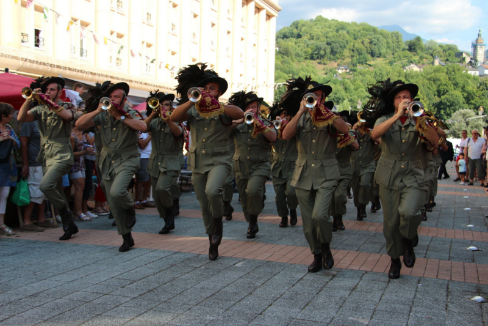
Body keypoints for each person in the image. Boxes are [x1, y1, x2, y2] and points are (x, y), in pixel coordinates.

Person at [171, 63, 243, 260]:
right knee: (203, 202)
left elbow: (239, 114)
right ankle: (211, 236)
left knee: (212, 191)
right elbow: (174, 117)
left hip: (220, 160)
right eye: (206, 88)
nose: (208, 91)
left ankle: (217, 223)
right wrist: (191, 99)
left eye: (213, 88)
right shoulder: (194, 108)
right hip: (198, 161)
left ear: (219, 92)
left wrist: (216, 104)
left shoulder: (223, 108)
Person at [368, 79, 439, 279]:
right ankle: (394, 260)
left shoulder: (419, 119)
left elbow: (434, 142)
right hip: (388, 175)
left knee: (409, 213)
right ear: (394, 103)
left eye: (406, 97)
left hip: (414, 174)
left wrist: (419, 120)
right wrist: (398, 116)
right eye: (398, 98)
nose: (402, 100)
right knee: (390, 223)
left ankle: (408, 239)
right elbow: (375, 134)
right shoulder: (385, 119)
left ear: (412, 100)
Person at [281, 77, 350, 273]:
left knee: (320, 216)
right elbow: (286, 135)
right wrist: (301, 110)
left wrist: (325, 112)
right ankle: (317, 254)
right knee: (309, 223)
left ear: (324, 98)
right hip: (303, 174)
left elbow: (344, 129)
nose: (315, 100)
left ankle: (326, 247)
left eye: (318, 96)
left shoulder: (331, 117)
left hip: (326, 173)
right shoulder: (299, 117)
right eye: (311, 97)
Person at [76, 82, 147, 252]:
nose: (113, 99)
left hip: (127, 159)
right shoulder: (103, 114)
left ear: (124, 99)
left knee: (117, 191)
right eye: (111, 97)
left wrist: (120, 116)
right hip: (107, 161)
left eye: (116, 97)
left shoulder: (130, 113)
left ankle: (130, 208)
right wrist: (98, 110)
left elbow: (143, 127)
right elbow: (80, 124)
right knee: (113, 204)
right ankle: (126, 237)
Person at [18, 76, 79, 241]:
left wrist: (50, 103)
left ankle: (66, 216)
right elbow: (21, 118)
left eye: (52, 90)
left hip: (62, 153)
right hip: (46, 155)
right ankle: (69, 226)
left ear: (60, 92)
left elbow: (67, 117)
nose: (48, 92)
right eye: (46, 90)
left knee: (45, 186)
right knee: (56, 190)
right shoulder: (40, 109)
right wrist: (29, 99)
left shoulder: (67, 106)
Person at [229, 91, 276, 238]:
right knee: (244, 198)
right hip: (241, 166)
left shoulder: (266, 123)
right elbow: (222, 133)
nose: (251, 110)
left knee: (253, 191)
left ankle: (253, 221)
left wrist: (259, 124)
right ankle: (252, 221)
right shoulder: (237, 124)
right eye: (248, 107)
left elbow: (273, 137)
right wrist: (238, 121)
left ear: (258, 108)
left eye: (254, 107)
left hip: (260, 165)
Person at [144, 91, 184, 234]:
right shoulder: (154, 121)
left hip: (171, 161)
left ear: (171, 107)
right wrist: (152, 114)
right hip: (156, 161)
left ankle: (170, 212)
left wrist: (168, 119)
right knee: (157, 194)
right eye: (161, 105)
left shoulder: (177, 121)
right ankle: (167, 217)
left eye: (166, 105)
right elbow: (142, 128)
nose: (163, 107)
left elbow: (179, 133)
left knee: (162, 188)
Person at [270, 102, 299, 228]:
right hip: (278, 166)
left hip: (292, 165)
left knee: (291, 193)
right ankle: (283, 216)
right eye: (281, 115)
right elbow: (269, 140)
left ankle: (292, 209)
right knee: (279, 197)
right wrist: (275, 126)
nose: (283, 118)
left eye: (286, 116)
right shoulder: (272, 127)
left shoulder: (295, 126)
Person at [20, 119, 52, 231]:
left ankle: (41, 219)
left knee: (43, 190)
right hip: (34, 162)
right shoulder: (29, 122)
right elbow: (23, 143)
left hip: (45, 162)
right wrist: (25, 164)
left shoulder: (44, 121)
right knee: (35, 190)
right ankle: (27, 221)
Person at [330, 111, 359, 231]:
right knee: (331, 197)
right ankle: (334, 219)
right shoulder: (329, 133)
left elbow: (356, 146)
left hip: (344, 169)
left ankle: (339, 217)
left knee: (340, 196)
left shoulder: (349, 132)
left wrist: (345, 134)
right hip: (330, 169)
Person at [351, 111, 377, 221]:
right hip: (354, 163)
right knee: (356, 188)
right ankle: (359, 208)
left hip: (368, 163)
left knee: (365, 184)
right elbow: (348, 140)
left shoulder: (371, 132)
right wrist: (353, 129)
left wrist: (368, 131)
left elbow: (378, 141)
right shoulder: (353, 131)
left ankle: (363, 205)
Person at [0, 103, 20, 236]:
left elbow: (18, 143)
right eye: (10, 114)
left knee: (4, 194)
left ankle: (1, 223)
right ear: (3, 116)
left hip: (8, 165)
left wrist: (12, 140)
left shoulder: (9, 128)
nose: (12, 116)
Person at [69, 124, 93, 221]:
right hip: (74, 165)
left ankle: (78, 210)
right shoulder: (71, 135)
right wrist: (84, 152)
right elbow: (71, 153)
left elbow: (86, 144)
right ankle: (77, 212)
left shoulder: (82, 134)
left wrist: (88, 148)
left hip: (82, 164)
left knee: (81, 187)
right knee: (79, 187)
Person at [134, 124, 154, 210]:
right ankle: (136, 201)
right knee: (141, 180)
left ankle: (144, 200)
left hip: (151, 157)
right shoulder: (141, 132)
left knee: (149, 180)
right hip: (143, 158)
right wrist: (150, 135)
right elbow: (142, 145)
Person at [82, 131, 98, 218]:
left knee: (88, 185)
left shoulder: (92, 131)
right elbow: (90, 141)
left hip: (92, 158)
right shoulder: (86, 132)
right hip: (85, 159)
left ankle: (85, 208)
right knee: (86, 185)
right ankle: (83, 209)